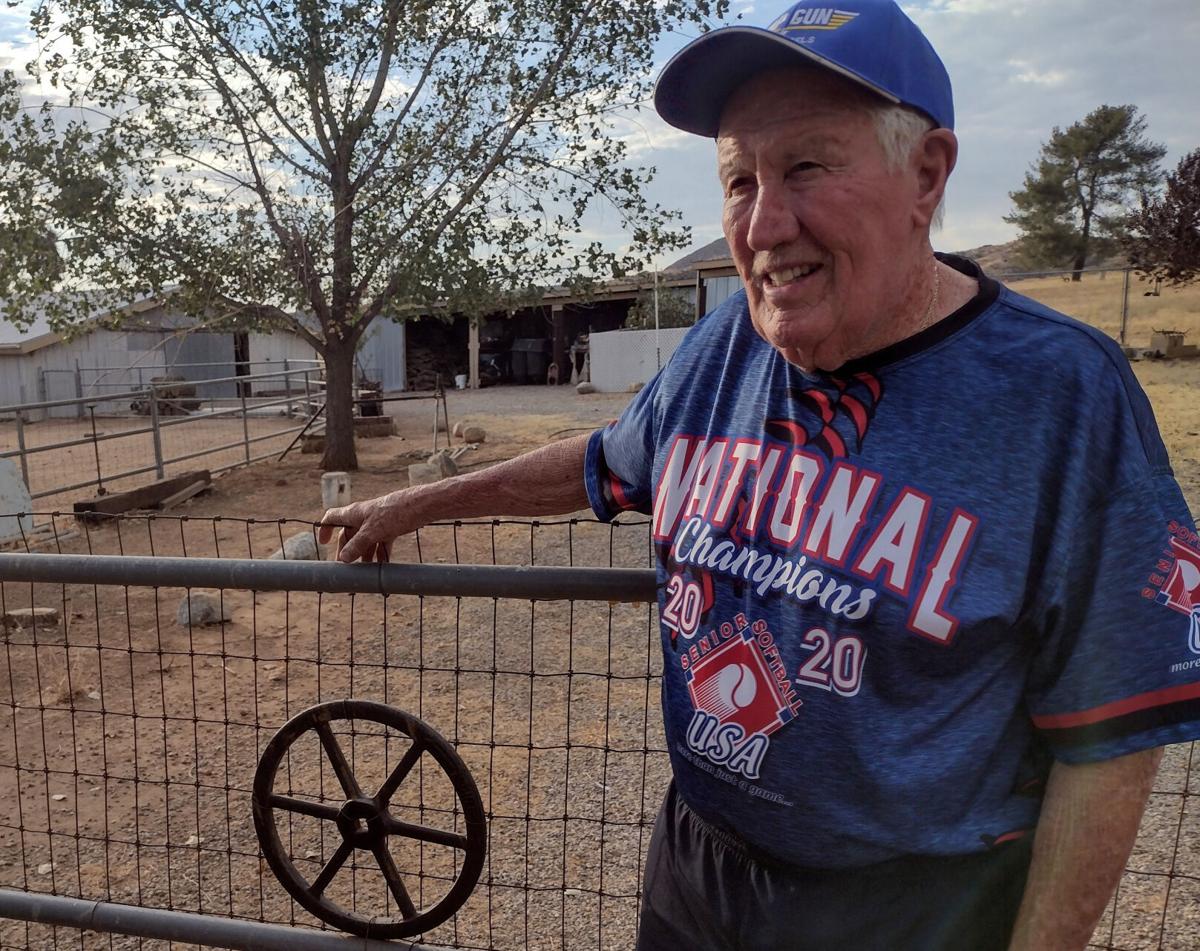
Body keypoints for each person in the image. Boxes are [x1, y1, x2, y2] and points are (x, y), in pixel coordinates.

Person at [320, 1, 1200, 947]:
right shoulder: (725, 342)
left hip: (912, 908)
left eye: (808, 166)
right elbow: (603, 463)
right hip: (700, 868)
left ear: (926, 175)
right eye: (739, 179)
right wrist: (418, 503)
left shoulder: (1059, 393)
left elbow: (1108, 738)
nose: (765, 221)